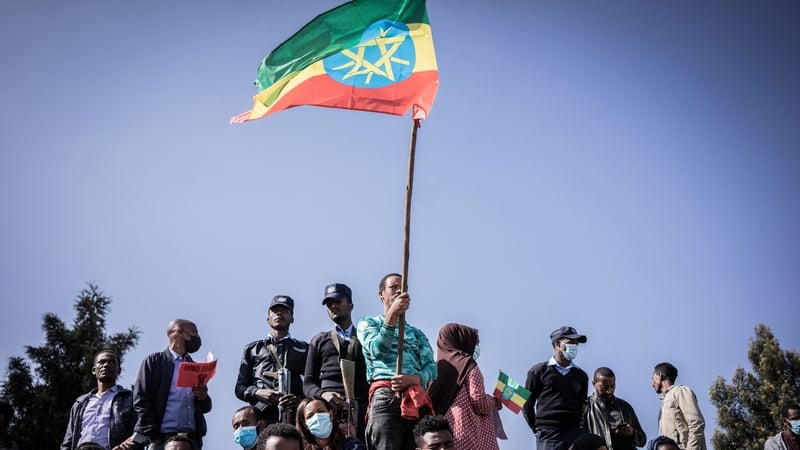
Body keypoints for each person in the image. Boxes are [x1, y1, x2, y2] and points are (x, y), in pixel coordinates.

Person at [356, 273, 437, 450]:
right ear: (381, 294)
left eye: (403, 288)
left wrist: (415, 379)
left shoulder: (417, 334)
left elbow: (432, 368)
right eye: (393, 287)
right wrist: (392, 315)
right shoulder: (368, 323)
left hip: (415, 398)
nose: (399, 290)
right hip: (385, 396)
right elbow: (378, 350)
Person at [132, 319, 212, 450]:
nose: (197, 337)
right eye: (194, 332)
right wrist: (154, 435)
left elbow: (205, 407)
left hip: (191, 441)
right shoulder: (154, 362)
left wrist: (203, 397)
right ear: (180, 332)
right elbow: (140, 399)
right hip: (162, 440)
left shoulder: (195, 367)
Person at [303, 283, 369, 439]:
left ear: (351, 305)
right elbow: (307, 383)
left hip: (364, 410)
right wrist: (323, 395)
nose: (333, 306)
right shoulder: (319, 340)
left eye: (338, 301)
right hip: (328, 413)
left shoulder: (367, 338)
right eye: (328, 303)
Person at [236, 295, 309, 425]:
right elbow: (240, 388)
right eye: (275, 311)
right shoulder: (252, 349)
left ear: (292, 318)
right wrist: (258, 392)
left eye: (285, 310)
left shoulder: (304, 348)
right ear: (268, 318)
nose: (279, 313)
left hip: (293, 418)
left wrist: (300, 401)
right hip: (261, 419)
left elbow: (312, 383)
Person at [427, 323, 501, 450]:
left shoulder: (434, 368)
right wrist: (495, 401)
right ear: (462, 341)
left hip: (443, 437)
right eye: (475, 343)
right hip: (469, 435)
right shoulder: (468, 364)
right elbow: (479, 402)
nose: (476, 347)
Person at [523, 325, 590, 450]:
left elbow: (582, 408)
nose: (574, 346)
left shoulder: (581, 376)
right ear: (558, 344)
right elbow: (526, 403)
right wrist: (536, 428)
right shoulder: (538, 371)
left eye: (576, 343)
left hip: (575, 434)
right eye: (571, 342)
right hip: (549, 435)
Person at [61, 350, 137, 450]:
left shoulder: (129, 398)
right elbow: (68, 441)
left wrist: (125, 446)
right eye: (101, 362)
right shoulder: (80, 403)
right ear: (94, 370)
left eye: (111, 362)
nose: (106, 365)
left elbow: (139, 431)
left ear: (118, 370)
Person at [582, 367, 646, 450]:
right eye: (605, 387)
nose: (609, 390)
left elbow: (642, 441)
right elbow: (579, 438)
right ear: (594, 383)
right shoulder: (586, 406)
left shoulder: (625, 406)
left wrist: (631, 432)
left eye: (612, 386)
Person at [651, 362, 706, 450]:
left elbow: (696, 423)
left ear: (660, 375)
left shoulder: (680, 391)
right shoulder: (663, 406)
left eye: (653, 378)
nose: (652, 384)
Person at [296, 396, 366, 450]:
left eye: (320, 411)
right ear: (305, 425)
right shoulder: (299, 447)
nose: (317, 417)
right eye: (310, 415)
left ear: (331, 415)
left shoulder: (351, 445)